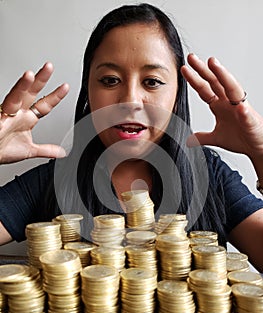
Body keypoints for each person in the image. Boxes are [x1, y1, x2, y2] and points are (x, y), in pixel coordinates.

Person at [1, 3, 263, 272]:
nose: (130, 100)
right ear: (88, 91)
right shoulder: (52, 180)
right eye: (110, 80)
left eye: (151, 81)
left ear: (176, 96)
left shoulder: (210, 175)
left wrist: (261, 154)